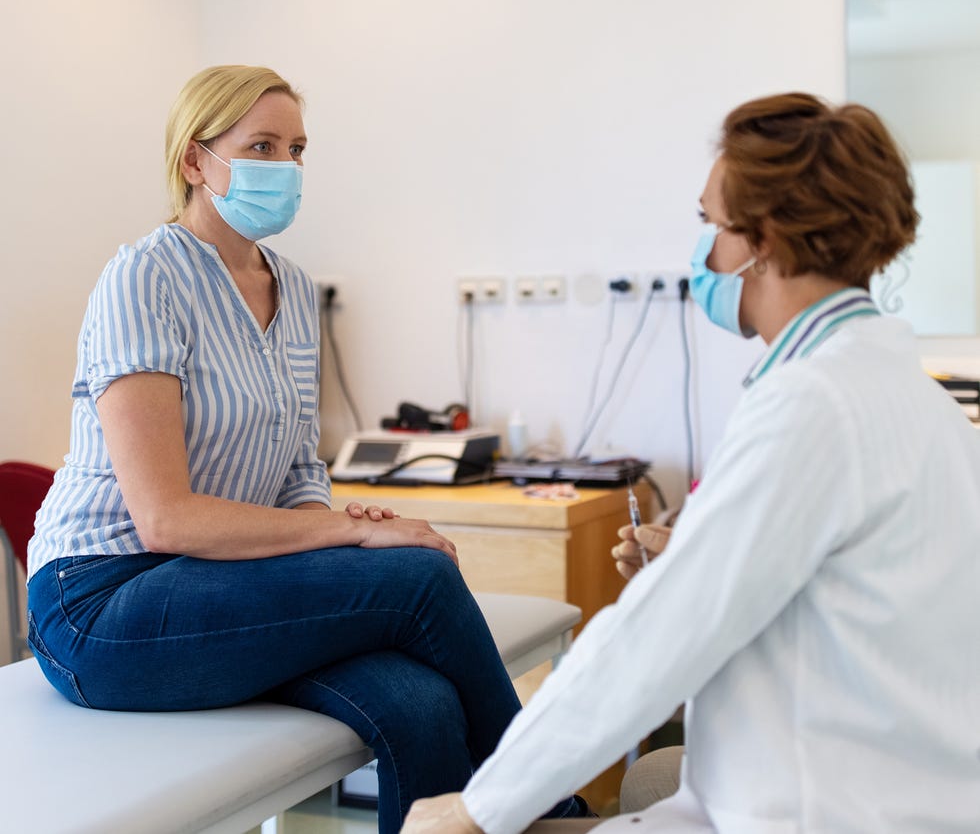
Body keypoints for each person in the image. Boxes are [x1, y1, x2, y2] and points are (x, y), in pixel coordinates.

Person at [26, 65, 589, 834]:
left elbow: (297, 472)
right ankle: (555, 807)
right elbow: (166, 519)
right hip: (104, 602)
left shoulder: (291, 291)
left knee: (419, 703)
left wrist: (332, 545)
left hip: (223, 584)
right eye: (262, 145)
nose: (286, 167)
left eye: (296, 148)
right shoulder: (143, 278)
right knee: (416, 576)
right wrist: (351, 533)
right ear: (196, 161)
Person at [401, 92, 980, 833]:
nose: (701, 251)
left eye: (709, 224)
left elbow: (648, 643)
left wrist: (474, 808)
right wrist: (699, 555)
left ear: (762, 239)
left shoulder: (813, 404)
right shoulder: (910, 396)